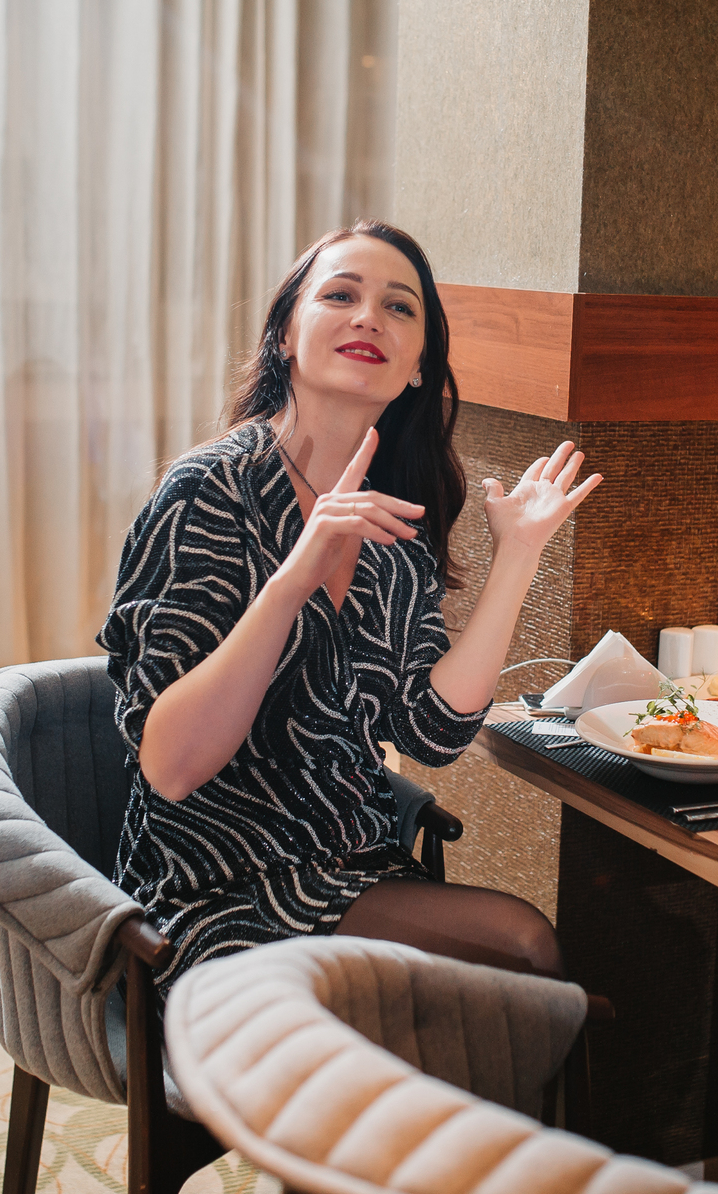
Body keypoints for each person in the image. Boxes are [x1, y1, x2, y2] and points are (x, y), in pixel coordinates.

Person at [98, 219, 601, 1001]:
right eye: (340, 295)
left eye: (400, 307)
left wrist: (519, 556)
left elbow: (432, 733)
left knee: (513, 975)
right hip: (208, 891)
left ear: (416, 367)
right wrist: (292, 578)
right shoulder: (210, 494)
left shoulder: (393, 528)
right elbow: (171, 766)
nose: (370, 316)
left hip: (354, 871)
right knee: (522, 959)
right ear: (285, 337)